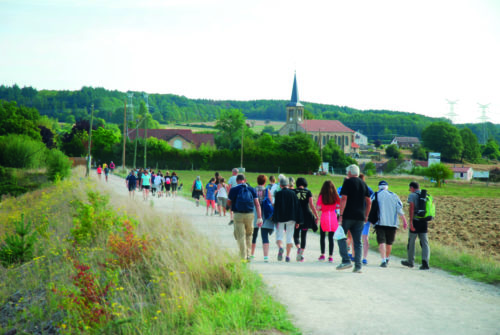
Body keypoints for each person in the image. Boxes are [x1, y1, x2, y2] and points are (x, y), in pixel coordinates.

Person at [337, 164, 372, 273]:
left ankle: (346, 260)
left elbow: (344, 198)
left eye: (347, 171)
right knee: (358, 241)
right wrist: (366, 215)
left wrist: (341, 215)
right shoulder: (363, 183)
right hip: (360, 217)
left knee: (340, 237)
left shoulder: (347, 182)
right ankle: (358, 266)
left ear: (350, 172)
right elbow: (369, 201)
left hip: (348, 215)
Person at [369, 180, 407, 267]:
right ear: (387, 187)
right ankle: (386, 258)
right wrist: (404, 221)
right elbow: (399, 209)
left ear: (379, 187)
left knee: (381, 241)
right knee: (389, 242)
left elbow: (370, 206)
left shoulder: (376, 195)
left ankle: (383, 260)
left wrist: (368, 218)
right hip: (392, 223)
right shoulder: (394, 195)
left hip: (380, 222)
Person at [227, 174, 263, 261]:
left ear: (237, 181)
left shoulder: (233, 190)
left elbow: (228, 203)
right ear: (245, 180)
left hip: (238, 215)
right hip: (250, 215)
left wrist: (231, 206)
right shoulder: (251, 189)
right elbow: (257, 204)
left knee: (240, 236)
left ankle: (243, 256)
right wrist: (259, 217)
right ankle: (248, 255)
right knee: (249, 235)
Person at [272, 175, 302, 262]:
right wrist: (298, 221)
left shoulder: (278, 194)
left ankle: (281, 248)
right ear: (288, 185)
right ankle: (288, 256)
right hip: (291, 218)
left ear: (280, 185)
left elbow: (276, 207)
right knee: (289, 236)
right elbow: (297, 207)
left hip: (280, 218)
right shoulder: (293, 194)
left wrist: (275, 219)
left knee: (279, 236)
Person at [401, 181, 431, 270]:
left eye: (410, 188)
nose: (409, 190)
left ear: (412, 187)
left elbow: (411, 208)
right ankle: (425, 263)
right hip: (424, 221)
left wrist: (411, 223)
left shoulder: (412, 195)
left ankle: (410, 262)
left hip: (416, 221)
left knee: (411, 242)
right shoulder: (426, 195)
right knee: (425, 243)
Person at [293, 177, 319, 262]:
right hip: (307, 215)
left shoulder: (294, 191)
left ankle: (298, 248)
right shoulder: (308, 192)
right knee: (304, 235)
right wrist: (316, 215)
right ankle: (302, 254)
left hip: (297, 215)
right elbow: (311, 205)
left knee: (296, 234)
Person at [250, 175, 275, 262]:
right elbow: (270, 202)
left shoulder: (253, 190)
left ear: (257, 181)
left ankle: (252, 254)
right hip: (264, 213)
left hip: (255, 212)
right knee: (264, 236)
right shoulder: (267, 190)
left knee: (254, 235)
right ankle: (265, 257)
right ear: (265, 182)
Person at [316, 180, 341, 263]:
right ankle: (330, 256)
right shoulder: (335, 196)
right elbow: (339, 205)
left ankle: (322, 254)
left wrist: (323, 208)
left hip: (324, 216)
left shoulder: (322, 196)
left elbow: (318, 207)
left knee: (322, 237)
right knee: (331, 237)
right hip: (333, 217)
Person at [360, 174, 374, 265]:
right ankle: (364, 257)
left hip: (357, 216)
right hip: (366, 216)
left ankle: (354, 255)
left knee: (355, 237)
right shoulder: (369, 189)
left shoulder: (355, 188)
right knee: (365, 237)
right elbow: (372, 202)